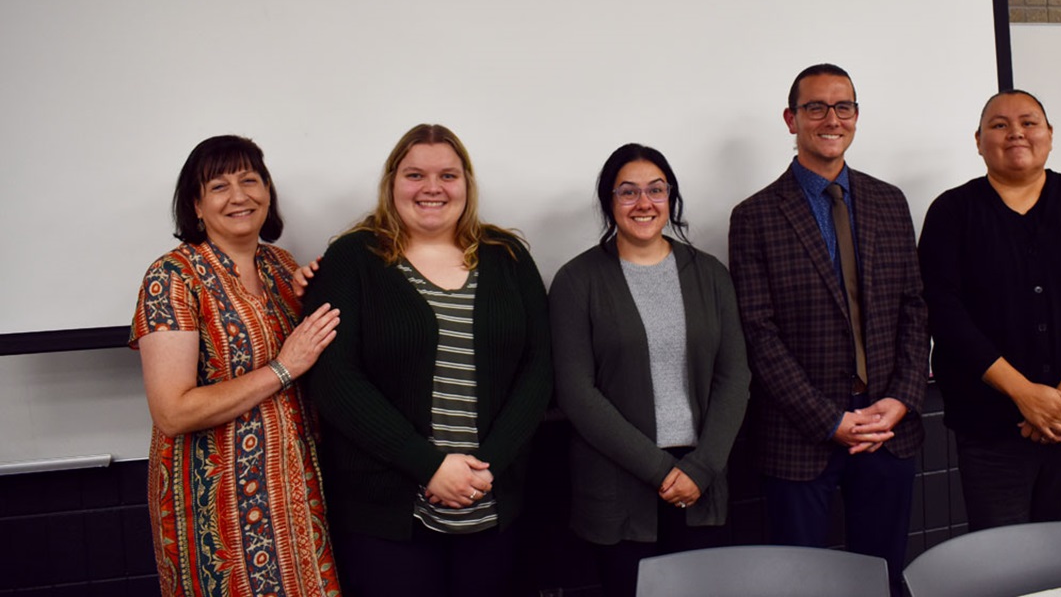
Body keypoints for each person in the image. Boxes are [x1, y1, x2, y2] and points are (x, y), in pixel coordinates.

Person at [304, 124, 552, 596]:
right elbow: (335, 380)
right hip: (387, 512)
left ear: (467, 184)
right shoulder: (352, 258)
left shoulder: (508, 256)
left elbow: (538, 369)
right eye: (415, 175)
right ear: (392, 182)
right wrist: (429, 466)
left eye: (448, 175)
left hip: (492, 501)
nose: (432, 188)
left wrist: (485, 469)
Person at [728, 63, 928, 593]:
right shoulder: (754, 216)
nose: (830, 119)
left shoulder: (890, 202)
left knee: (881, 578)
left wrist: (903, 399)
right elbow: (758, 334)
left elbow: (914, 309)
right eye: (815, 107)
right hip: (800, 439)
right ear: (791, 119)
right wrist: (828, 419)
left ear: (857, 118)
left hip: (888, 430)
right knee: (804, 584)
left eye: (843, 107)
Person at [130, 135, 343, 597]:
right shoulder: (173, 277)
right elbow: (173, 411)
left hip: (297, 497)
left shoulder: (281, 265)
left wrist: (318, 291)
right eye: (219, 186)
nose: (240, 195)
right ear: (197, 206)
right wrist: (284, 368)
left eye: (250, 180)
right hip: (218, 510)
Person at [917, 89, 1061, 531]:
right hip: (989, 425)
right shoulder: (952, 212)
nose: (1015, 132)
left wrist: (1058, 403)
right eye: (999, 125)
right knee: (1004, 557)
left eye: (1029, 122)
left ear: (1050, 136)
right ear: (978, 140)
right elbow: (944, 311)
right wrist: (1023, 393)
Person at [549, 144, 750, 597]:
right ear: (609, 202)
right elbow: (577, 393)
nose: (644, 203)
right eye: (628, 192)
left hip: (702, 480)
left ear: (671, 198)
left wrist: (701, 469)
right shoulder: (576, 281)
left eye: (656, 190)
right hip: (620, 484)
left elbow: (734, 377)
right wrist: (661, 470)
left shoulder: (711, 275)